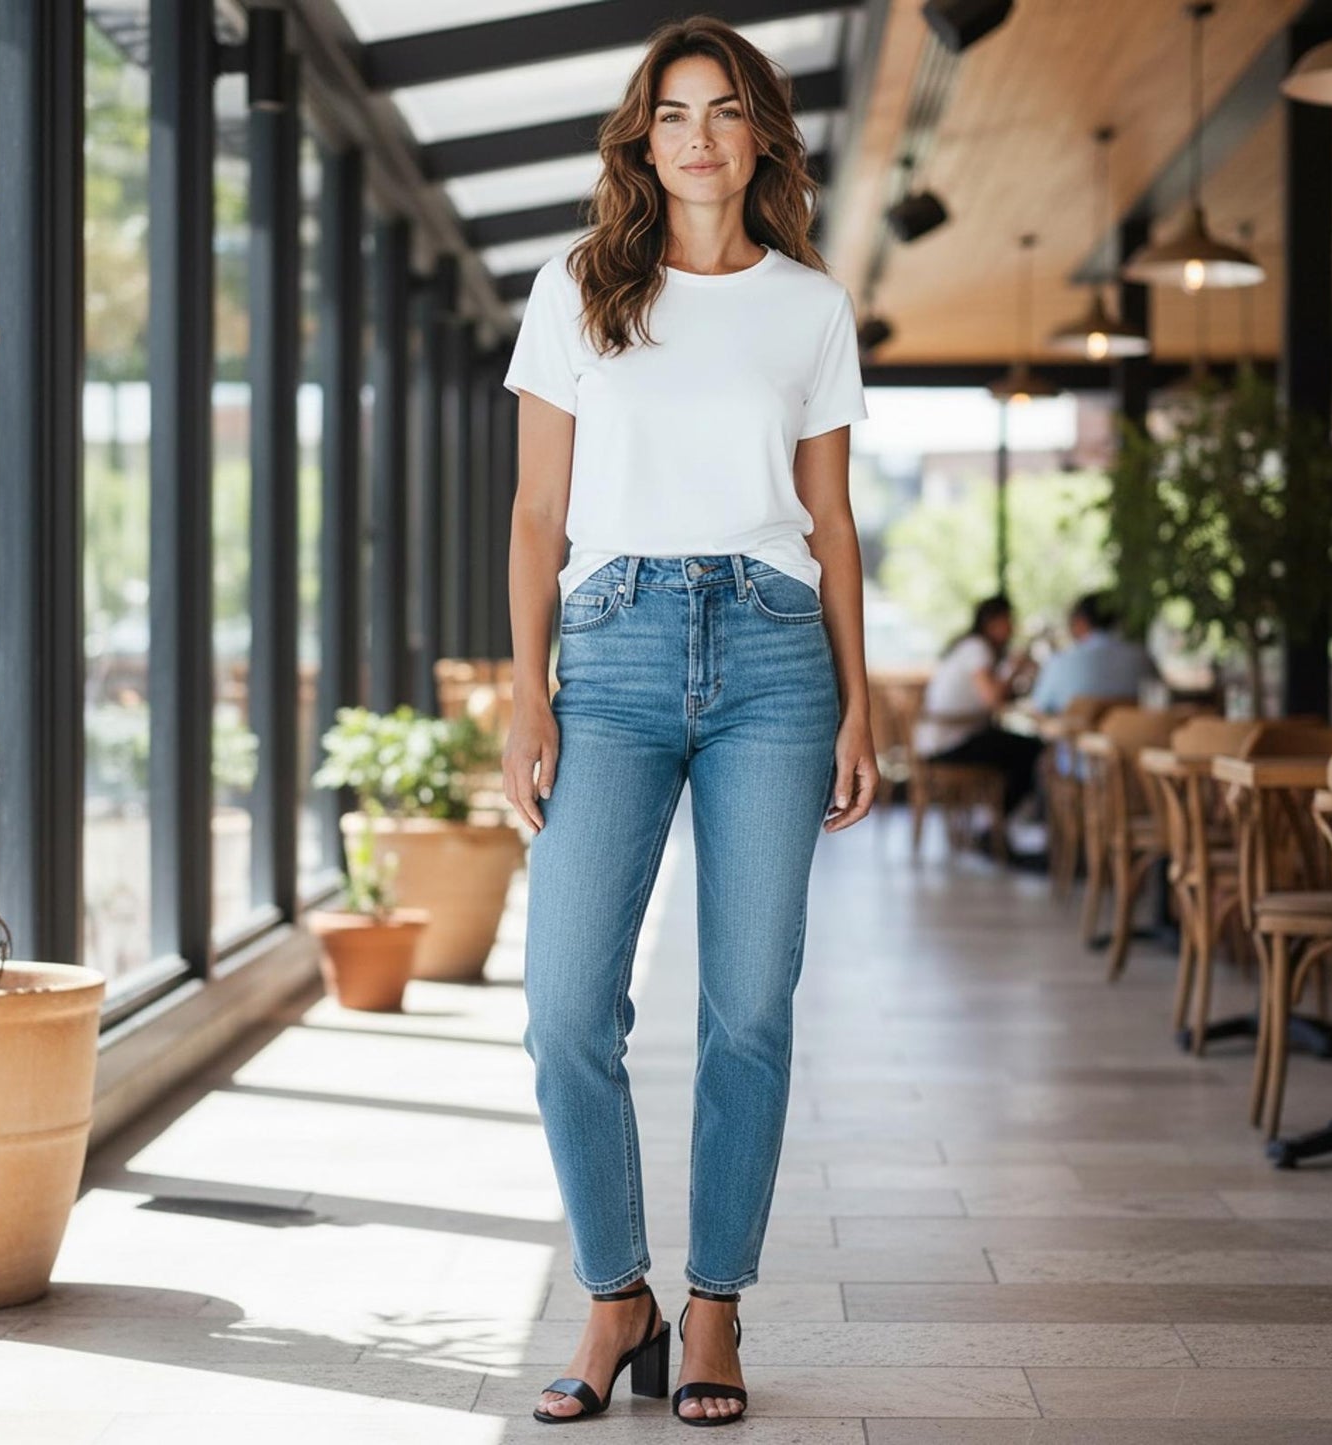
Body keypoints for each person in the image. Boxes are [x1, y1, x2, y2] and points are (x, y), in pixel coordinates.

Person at [500, 17, 877, 1428]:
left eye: (724, 111)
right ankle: (618, 1294)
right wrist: (520, 697)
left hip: (779, 660)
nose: (699, 136)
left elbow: (831, 519)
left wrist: (862, 700)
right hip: (610, 651)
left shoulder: (809, 306)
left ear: (760, 133)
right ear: (641, 138)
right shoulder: (579, 290)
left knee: (749, 1010)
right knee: (561, 1013)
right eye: (672, 114)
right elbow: (539, 512)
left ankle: (712, 1306)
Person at [914, 594, 1043, 816]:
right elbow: (993, 700)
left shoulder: (970, 647)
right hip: (948, 743)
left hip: (945, 738)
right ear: (992, 622)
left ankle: (994, 826)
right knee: (1032, 749)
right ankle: (994, 826)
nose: (1012, 628)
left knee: (1018, 747)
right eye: (1008, 621)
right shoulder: (977, 648)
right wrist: (1014, 668)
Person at [1028, 591, 1156, 716]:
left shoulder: (1060, 662)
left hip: (1071, 736)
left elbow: (1039, 709)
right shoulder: (1143, 657)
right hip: (1134, 735)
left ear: (1080, 621)